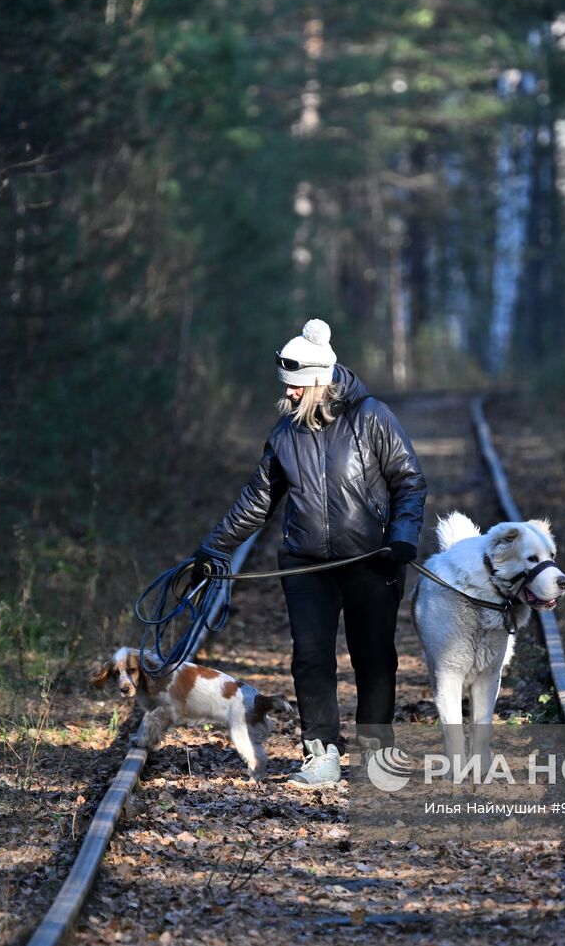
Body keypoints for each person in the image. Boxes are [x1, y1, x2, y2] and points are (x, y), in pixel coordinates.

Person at [194, 319, 427, 789]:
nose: (291, 395)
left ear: (321, 380)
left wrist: (402, 536)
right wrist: (213, 547)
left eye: (298, 387)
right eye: (288, 387)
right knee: (311, 657)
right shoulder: (284, 434)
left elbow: (409, 481)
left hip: (372, 559)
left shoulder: (372, 417)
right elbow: (257, 501)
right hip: (305, 563)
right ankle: (321, 754)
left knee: (375, 657)